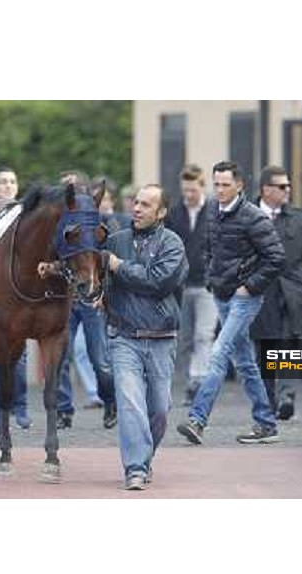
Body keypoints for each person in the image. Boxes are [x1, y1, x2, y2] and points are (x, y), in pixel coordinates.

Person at [176, 160, 285, 446]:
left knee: (219, 352)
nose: (221, 189)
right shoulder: (212, 210)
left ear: (239, 185)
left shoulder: (254, 216)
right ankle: (266, 423)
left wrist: (249, 286)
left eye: (226, 184)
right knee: (246, 362)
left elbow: (276, 258)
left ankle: (197, 420)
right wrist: (213, 277)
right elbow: (210, 248)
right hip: (221, 294)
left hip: (245, 298)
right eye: (217, 184)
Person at [103, 184, 188, 490]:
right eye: (136, 203)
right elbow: (91, 276)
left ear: (161, 212)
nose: (137, 209)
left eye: (146, 205)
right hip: (123, 336)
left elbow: (158, 281)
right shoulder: (114, 241)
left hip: (163, 337)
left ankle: (145, 457)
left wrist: (119, 266)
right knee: (130, 403)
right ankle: (135, 468)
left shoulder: (173, 244)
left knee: (160, 410)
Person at [52, 170, 117, 430]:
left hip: (91, 298)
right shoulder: (54, 224)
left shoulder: (97, 220)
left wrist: (105, 295)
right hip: (64, 299)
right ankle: (63, 410)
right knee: (59, 358)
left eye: (74, 187)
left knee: (99, 357)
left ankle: (110, 402)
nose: (70, 193)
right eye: (65, 189)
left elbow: (109, 256)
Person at [250, 165, 302, 420]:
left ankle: (287, 395)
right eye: (282, 186)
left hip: (291, 290)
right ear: (266, 189)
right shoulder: (247, 216)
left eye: (289, 185)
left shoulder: (300, 218)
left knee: (287, 343)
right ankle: (267, 398)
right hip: (260, 290)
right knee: (264, 348)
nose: (288, 190)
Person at [0, 166, 32, 431]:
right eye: (2, 182)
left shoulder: (26, 217)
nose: (8, 186)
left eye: (12, 181)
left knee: (19, 361)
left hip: (18, 305)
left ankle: (21, 409)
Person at [164, 164, 217, 406]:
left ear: (202, 186)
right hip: (181, 286)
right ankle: (191, 380)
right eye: (185, 190)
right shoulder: (175, 214)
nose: (188, 195)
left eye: (192, 190)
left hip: (208, 285)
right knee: (184, 338)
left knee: (204, 335)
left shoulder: (215, 211)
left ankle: (198, 382)